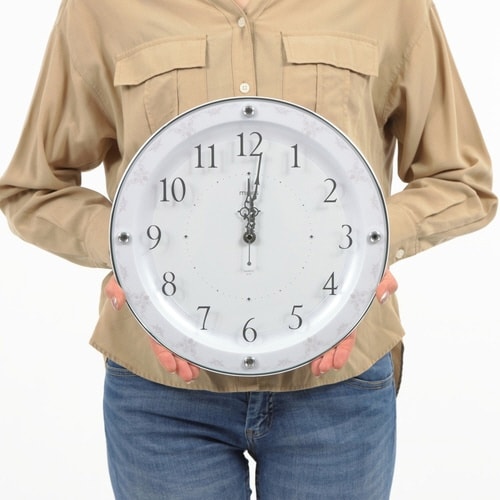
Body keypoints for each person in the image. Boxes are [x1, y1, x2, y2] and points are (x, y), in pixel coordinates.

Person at [0, 1, 496, 498]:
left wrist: (373, 240)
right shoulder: (100, 9)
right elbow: (34, 188)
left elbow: (462, 180)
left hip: (337, 386)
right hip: (162, 392)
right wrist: (125, 247)